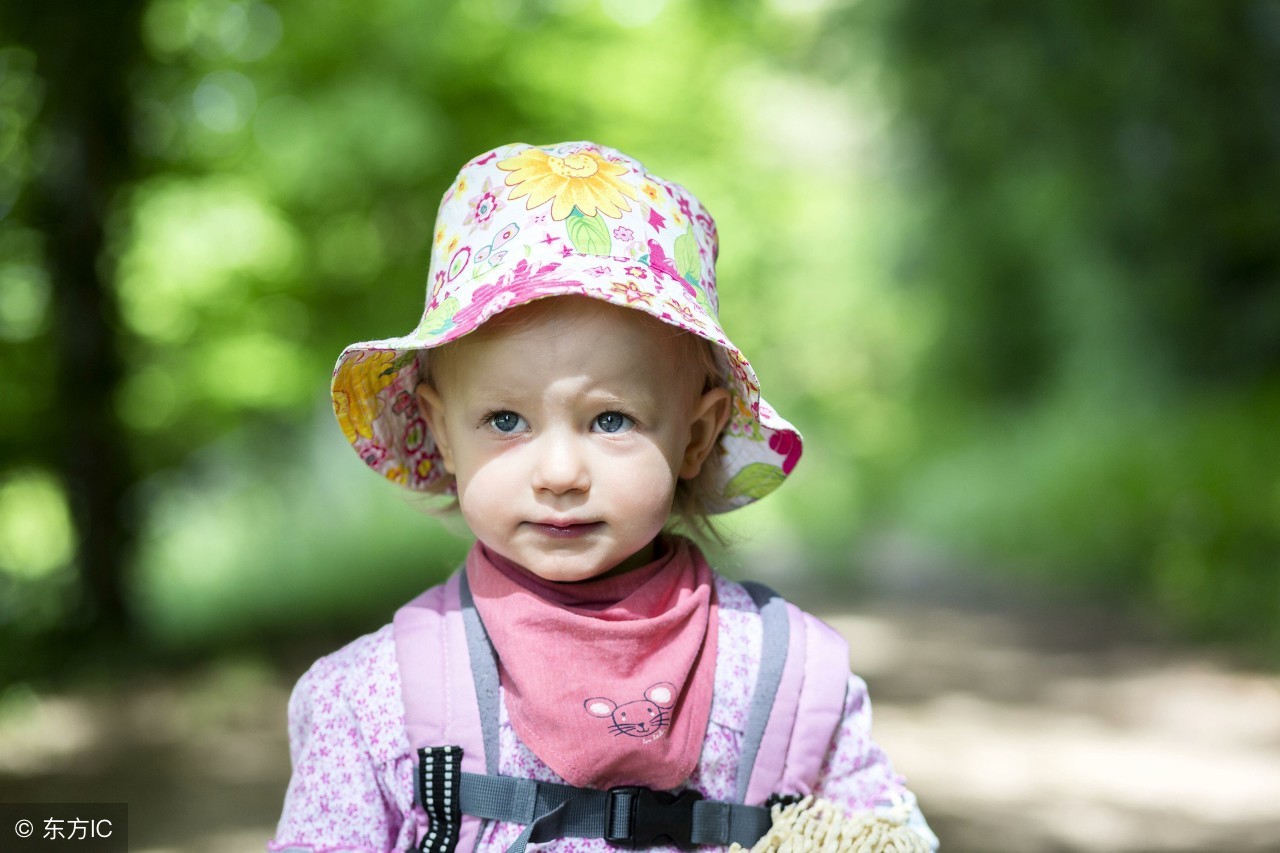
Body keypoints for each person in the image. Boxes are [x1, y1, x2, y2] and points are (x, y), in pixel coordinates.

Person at [270, 141, 937, 852]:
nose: (560, 471)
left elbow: (882, 836)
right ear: (440, 431)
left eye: (610, 419)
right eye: (505, 420)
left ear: (696, 435)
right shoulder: (377, 702)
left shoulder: (788, 681)